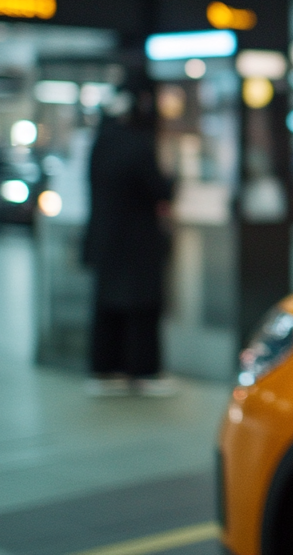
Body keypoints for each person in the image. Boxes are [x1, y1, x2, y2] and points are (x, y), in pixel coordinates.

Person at [82, 75, 175, 396]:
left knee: (107, 306)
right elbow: (159, 190)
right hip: (138, 242)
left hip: (105, 239)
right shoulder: (139, 145)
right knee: (142, 307)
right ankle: (142, 372)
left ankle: (105, 370)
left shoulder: (101, 142)